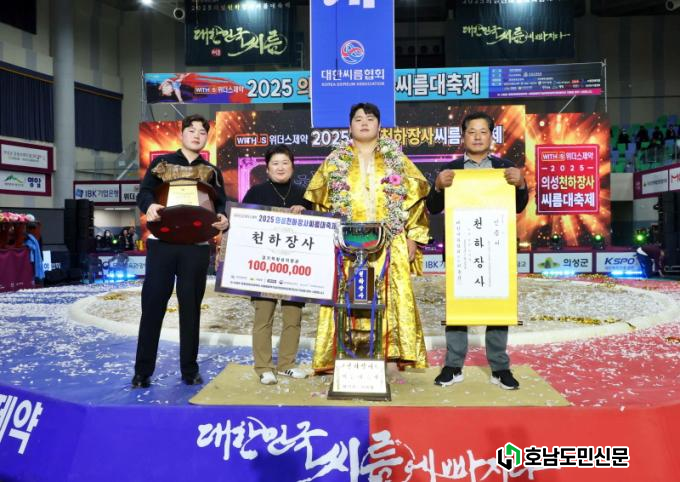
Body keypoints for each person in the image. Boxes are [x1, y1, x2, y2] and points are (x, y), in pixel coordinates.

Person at [304, 102, 430, 373]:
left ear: (379, 126)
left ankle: (392, 355)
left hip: (391, 241)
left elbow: (415, 201)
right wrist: (327, 238)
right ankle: (345, 354)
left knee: (392, 296)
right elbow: (321, 204)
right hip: (346, 245)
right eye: (358, 119)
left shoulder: (396, 159)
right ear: (349, 126)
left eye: (370, 119)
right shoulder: (335, 161)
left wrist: (413, 237)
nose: (364, 123)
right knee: (348, 294)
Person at [426, 111, 529, 390]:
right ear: (463, 137)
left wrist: (521, 183)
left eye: (483, 132)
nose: (477, 137)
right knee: (458, 307)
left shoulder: (505, 168)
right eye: (472, 132)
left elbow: (520, 205)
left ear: (492, 136)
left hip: (497, 250)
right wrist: (437, 186)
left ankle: (500, 368)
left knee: (498, 307)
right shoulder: (451, 169)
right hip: (462, 250)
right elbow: (432, 207)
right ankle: (453, 366)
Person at [132, 114, 229, 388]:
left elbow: (220, 205)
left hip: (196, 248)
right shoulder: (161, 164)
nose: (197, 135)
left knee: (191, 310)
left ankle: (189, 370)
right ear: (182, 133)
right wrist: (149, 206)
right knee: (152, 307)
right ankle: (142, 371)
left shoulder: (211, 171)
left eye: (202, 132)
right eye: (192, 130)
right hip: (161, 244)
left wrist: (223, 218)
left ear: (207, 137)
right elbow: (144, 193)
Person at [241, 145, 313, 385]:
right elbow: (243, 225)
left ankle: (286, 365)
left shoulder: (304, 195)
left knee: (293, 318)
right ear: (267, 168)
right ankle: (263, 367)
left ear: (292, 166)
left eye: (285, 163)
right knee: (264, 317)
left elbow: (317, 229)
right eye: (275, 163)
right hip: (264, 267)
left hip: (294, 267)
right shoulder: (255, 193)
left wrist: (306, 211)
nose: (280, 167)